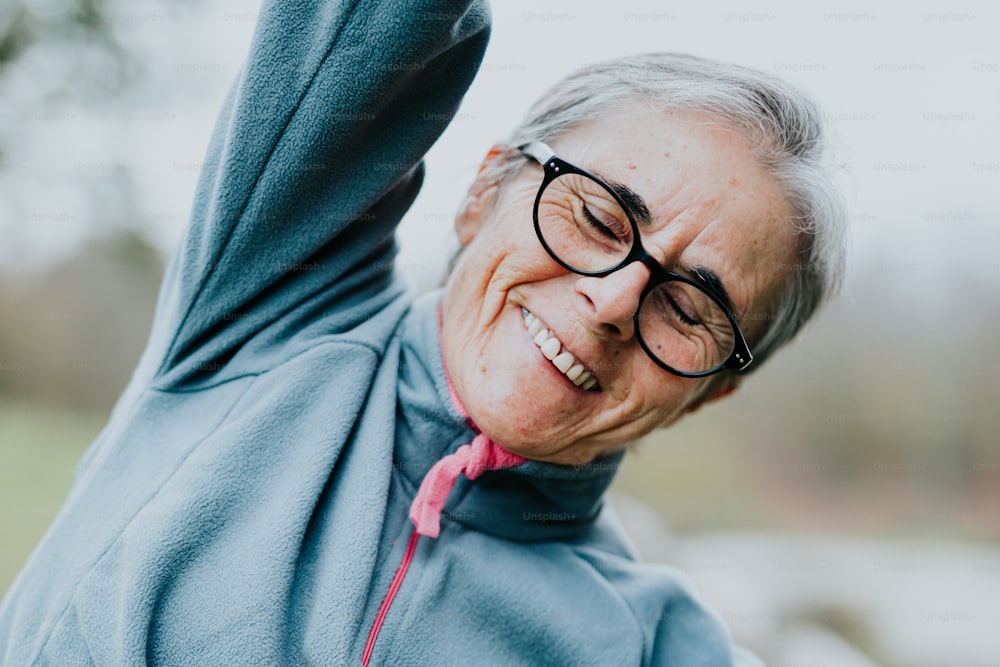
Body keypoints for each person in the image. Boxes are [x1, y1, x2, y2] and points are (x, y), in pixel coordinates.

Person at [0, 1, 845, 665]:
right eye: (597, 215)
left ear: (709, 393)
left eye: (691, 308)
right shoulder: (270, 307)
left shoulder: (648, 644)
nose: (614, 300)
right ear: (485, 191)